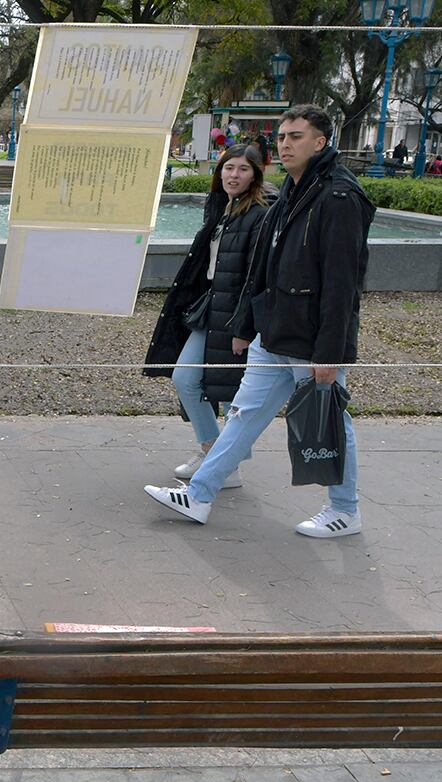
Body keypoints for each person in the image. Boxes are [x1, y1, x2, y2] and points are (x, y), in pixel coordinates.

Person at [145, 105, 375, 538]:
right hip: (275, 332)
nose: (286, 144)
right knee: (243, 415)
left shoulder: (339, 196)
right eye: (283, 136)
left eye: (296, 136)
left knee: (329, 420)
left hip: (311, 340)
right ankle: (200, 493)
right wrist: (251, 326)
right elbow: (268, 267)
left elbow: (344, 283)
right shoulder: (293, 189)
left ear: (321, 142)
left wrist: (329, 352)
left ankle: (345, 509)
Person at [144, 144, 271, 487]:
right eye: (229, 168)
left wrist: (245, 325)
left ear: (255, 175)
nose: (234, 175)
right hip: (209, 308)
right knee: (186, 378)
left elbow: (257, 276)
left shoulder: (258, 216)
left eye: (243, 169)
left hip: (235, 317)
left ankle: (224, 465)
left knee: (232, 390)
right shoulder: (221, 209)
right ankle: (213, 451)